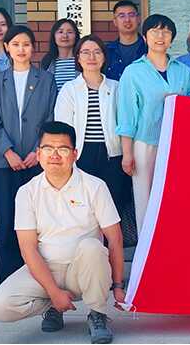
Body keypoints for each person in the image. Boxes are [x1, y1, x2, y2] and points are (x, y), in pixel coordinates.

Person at [0, 122, 123, 344]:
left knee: (92, 247)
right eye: (48, 148)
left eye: (62, 149)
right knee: (0, 307)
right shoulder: (27, 192)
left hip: (83, 269)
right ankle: (53, 306)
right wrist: (53, 292)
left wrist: (118, 285)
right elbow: (28, 248)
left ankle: (97, 314)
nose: (55, 155)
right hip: (45, 268)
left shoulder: (95, 186)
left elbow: (115, 239)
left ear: (75, 154)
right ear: (39, 153)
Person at [116, 14, 190, 229]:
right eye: (155, 31)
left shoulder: (182, 70)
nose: (160, 36)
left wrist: (181, 101)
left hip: (177, 143)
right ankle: (147, 245)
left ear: (172, 38)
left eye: (166, 32)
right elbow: (126, 115)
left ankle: (172, 243)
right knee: (145, 198)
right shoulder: (133, 72)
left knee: (175, 196)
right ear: (145, 37)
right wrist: (127, 153)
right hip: (145, 143)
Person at [0, 25, 58, 282]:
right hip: (5, 162)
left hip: (36, 160)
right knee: (7, 219)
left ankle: (38, 275)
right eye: (15, 44)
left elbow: (51, 117)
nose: (21, 49)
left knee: (38, 220)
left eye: (26, 44)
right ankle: (8, 276)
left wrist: (38, 150)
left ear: (33, 48)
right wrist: (7, 151)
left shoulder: (46, 80)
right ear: (7, 47)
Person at [55, 35, 134, 244]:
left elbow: (126, 120)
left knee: (111, 210)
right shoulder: (69, 89)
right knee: (83, 209)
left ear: (104, 57)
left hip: (111, 155)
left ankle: (111, 258)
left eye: (97, 52)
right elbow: (63, 127)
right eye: (86, 52)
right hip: (81, 155)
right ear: (78, 58)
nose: (91, 57)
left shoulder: (116, 87)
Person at [104, 0, 146, 81]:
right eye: (122, 16)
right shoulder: (107, 52)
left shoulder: (149, 49)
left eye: (131, 15)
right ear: (115, 22)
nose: (127, 20)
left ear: (138, 19)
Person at [41, 18, 81, 92]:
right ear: (54, 36)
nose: (65, 36)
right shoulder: (47, 61)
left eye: (70, 32)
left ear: (76, 36)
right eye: (60, 32)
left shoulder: (82, 60)